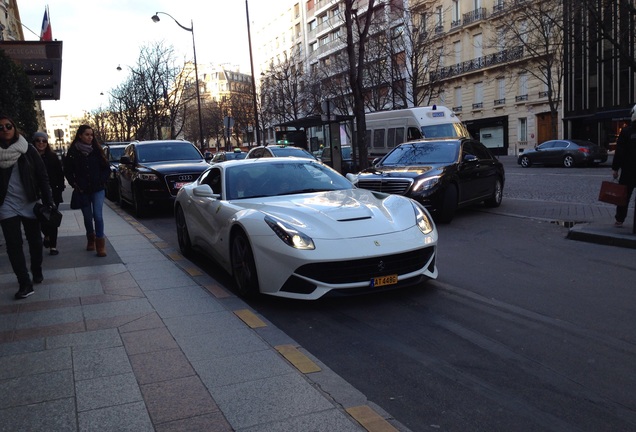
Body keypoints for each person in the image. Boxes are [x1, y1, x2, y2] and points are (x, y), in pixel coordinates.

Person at [0, 114, 55, 299]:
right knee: (13, 245)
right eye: (1, 128)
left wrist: (48, 200)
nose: (5, 130)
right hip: (6, 205)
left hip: (30, 201)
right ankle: (24, 283)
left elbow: (42, 175)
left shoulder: (27, 149)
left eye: (8, 126)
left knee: (35, 242)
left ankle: (36, 268)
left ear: (14, 128)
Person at [63, 125, 110, 257]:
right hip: (82, 190)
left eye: (91, 135)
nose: (90, 137)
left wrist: (102, 180)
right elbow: (67, 170)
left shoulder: (97, 151)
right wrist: (74, 183)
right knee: (88, 218)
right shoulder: (73, 152)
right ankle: (91, 238)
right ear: (80, 135)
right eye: (87, 134)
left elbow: (107, 168)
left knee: (98, 216)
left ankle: (100, 244)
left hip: (98, 189)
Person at [33, 131, 65, 255]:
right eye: (38, 140)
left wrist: (60, 188)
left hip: (53, 192)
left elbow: (59, 173)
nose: (41, 143)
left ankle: (53, 246)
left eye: (44, 141)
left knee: (52, 218)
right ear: (34, 142)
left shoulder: (52, 157)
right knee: (41, 218)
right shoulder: (29, 157)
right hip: (36, 193)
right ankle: (46, 235)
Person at [611, 104, 636, 230]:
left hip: (628, 171)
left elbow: (619, 152)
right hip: (629, 170)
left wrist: (615, 169)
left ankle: (619, 219)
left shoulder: (626, 132)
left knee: (623, 196)